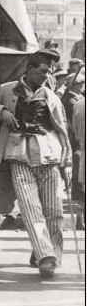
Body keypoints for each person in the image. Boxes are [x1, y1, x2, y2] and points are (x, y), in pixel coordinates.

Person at [0, 49, 69, 279]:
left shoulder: (51, 95)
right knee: (30, 207)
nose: (47, 76)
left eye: (50, 71)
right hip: (19, 152)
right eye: (43, 71)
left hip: (48, 154)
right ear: (30, 69)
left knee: (53, 209)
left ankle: (49, 251)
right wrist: (2, 111)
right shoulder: (8, 89)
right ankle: (46, 257)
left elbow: (61, 126)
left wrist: (65, 157)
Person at [72, 95, 85, 230]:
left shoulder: (78, 105)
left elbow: (75, 131)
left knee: (84, 191)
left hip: (83, 150)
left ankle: (79, 220)